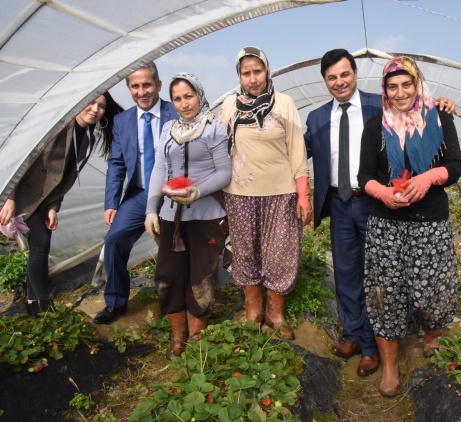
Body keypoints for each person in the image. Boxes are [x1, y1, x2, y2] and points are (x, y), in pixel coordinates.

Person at [304, 49, 455, 377]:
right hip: (340, 202)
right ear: (325, 82)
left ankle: (380, 336)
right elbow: (299, 149)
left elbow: (418, 110)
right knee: (346, 272)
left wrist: (439, 105)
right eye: (331, 77)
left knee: (378, 275)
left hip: (375, 202)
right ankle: (360, 340)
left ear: (355, 73)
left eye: (344, 74)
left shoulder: (379, 104)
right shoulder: (316, 117)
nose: (339, 82)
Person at [358, 56, 461, 397]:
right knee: (385, 294)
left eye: (407, 85)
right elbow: (364, 176)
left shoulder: (439, 118)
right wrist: (384, 193)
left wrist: (429, 178)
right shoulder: (376, 127)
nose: (400, 92)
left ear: (417, 85)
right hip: (387, 224)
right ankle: (390, 366)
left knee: (432, 288)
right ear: (385, 91)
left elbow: (455, 165)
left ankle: (431, 336)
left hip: (429, 223)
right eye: (393, 86)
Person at [218, 46, 312, 340]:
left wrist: (303, 194)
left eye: (257, 71)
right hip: (240, 193)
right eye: (246, 73)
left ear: (267, 71)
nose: (253, 78)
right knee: (245, 252)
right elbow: (218, 149)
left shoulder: (283, 103)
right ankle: (253, 310)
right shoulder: (229, 105)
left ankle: (275, 313)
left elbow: (297, 150)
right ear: (239, 76)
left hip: (281, 192)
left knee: (281, 253)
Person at [0, 92, 123, 316]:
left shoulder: (88, 137)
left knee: (40, 244)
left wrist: (53, 208)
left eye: (101, 106)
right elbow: (23, 159)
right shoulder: (56, 126)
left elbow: (66, 178)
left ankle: (32, 301)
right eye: (91, 102)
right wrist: (9, 196)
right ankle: (42, 304)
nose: (95, 109)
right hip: (22, 195)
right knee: (40, 245)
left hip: (43, 201)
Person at [144, 72, 231, 358]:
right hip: (172, 216)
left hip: (206, 216)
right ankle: (178, 338)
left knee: (201, 277)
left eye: (189, 96)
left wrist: (197, 191)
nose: (184, 104)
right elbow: (159, 170)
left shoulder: (214, 128)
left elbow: (224, 172)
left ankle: (196, 337)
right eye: (177, 98)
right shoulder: (170, 128)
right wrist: (151, 210)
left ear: (199, 95)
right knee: (168, 274)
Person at [95, 62, 179, 324]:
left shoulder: (175, 111)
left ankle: (177, 301)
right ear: (128, 88)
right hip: (139, 193)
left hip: (172, 193)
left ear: (158, 85)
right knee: (115, 240)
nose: (142, 91)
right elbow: (117, 163)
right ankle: (116, 302)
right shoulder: (122, 121)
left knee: (175, 246)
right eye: (135, 86)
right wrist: (111, 202)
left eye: (147, 85)